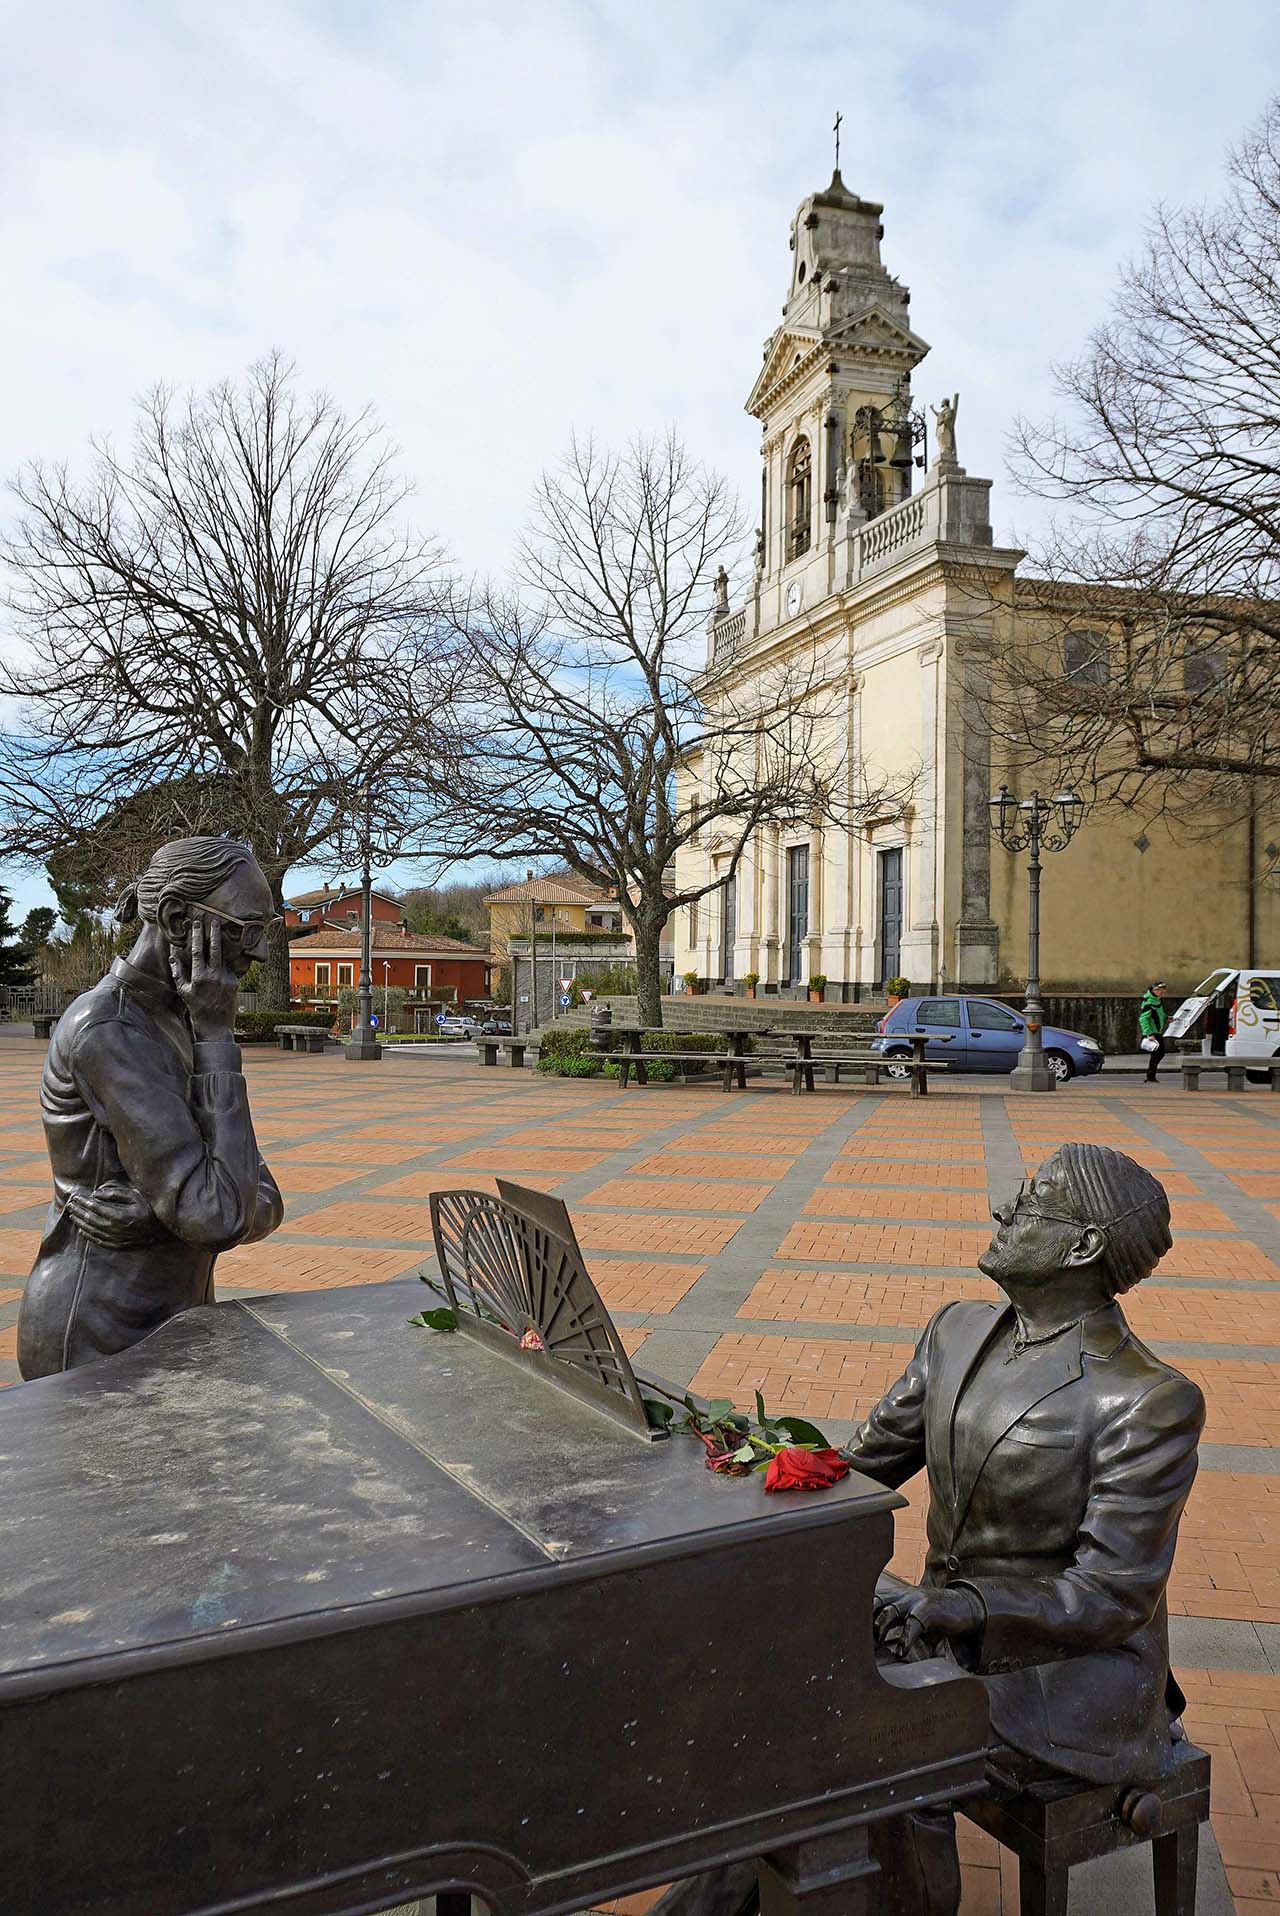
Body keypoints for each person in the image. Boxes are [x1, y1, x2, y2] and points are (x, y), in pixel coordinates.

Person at [656, 1144, 1203, 1916]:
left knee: (880, 1745)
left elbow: (1113, 1594)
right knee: (778, 1688)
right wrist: (752, 1456)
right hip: (941, 1629)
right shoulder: (958, 1331)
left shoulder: (1148, 1400)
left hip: (1072, 1675)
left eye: (1030, 1205)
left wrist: (963, 1609)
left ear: (1083, 1246)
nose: (1002, 1212)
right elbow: (864, 1462)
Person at [17, 836, 284, 1380]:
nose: (257, 951)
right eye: (243, 928)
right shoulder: (111, 1029)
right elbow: (218, 1215)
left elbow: (263, 1199)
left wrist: (168, 1220)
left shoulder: (177, 1018)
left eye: (265, 930)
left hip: (168, 1319)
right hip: (102, 1332)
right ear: (177, 917)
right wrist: (216, 1036)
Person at [1139, 979, 1168, 1083]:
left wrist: (1166, 1017)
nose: (1162, 992)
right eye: (1159, 990)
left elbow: (1158, 1014)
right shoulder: (1149, 1001)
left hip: (1156, 1031)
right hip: (1153, 1032)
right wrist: (1149, 1034)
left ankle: (1151, 1076)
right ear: (1154, 990)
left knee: (1157, 1054)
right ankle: (1150, 1076)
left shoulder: (1156, 1000)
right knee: (1159, 1053)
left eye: (1163, 990)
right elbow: (1143, 1019)